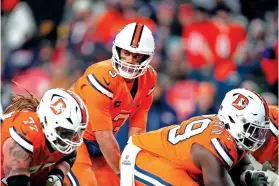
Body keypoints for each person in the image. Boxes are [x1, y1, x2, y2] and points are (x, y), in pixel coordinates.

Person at [65, 22, 157, 186]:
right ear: (117, 50)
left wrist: (134, 166)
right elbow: (104, 137)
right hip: (73, 136)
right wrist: (124, 173)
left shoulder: (149, 77)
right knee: (87, 183)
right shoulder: (101, 75)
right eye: (126, 53)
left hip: (98, 144)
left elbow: (137, 132)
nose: (129, 60)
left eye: (136, 56)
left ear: (146, 57)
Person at [120, 88, 270, 186]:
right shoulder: (214, 148)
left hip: (174, 161)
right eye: (251, 128)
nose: (256, 135)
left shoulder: (230, 136)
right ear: (233, 120)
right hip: (144, 156)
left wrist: (246, 177)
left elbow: (238, 166)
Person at [1, 88, 89, 186]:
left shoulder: (57, 140)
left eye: (73, 134)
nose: (69, 140)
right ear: (49, 121)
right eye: (66, 133)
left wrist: (57, 175)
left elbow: (70, 155)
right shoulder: (27, 134)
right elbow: (17, 180)